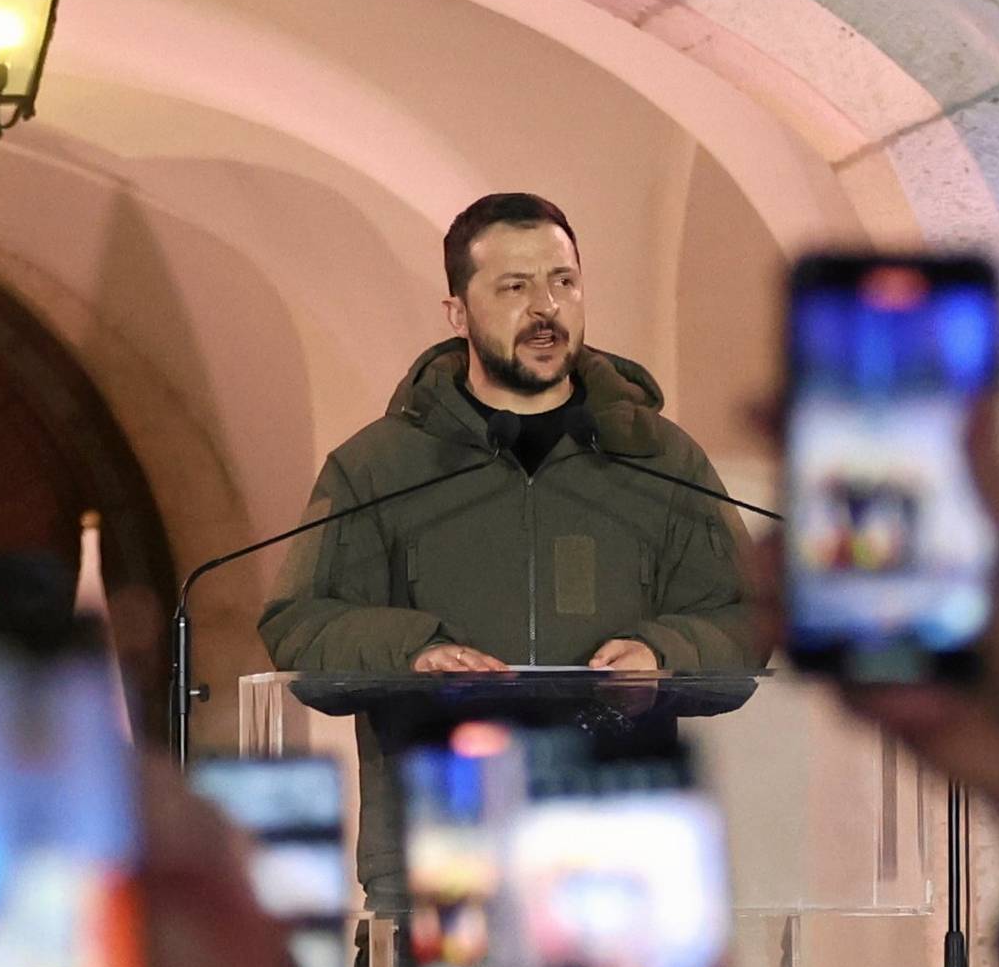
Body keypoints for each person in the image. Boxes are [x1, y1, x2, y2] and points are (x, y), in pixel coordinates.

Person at [257, 192, 759, 915]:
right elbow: (298, 623)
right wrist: (413, 651)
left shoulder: (659, 458)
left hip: (620, 862)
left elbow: (743, 618)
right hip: (442, 866)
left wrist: (665, 652)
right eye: (515, 287)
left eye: (563, 281)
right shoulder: (379, 468)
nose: (545, 307)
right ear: (457, 313)